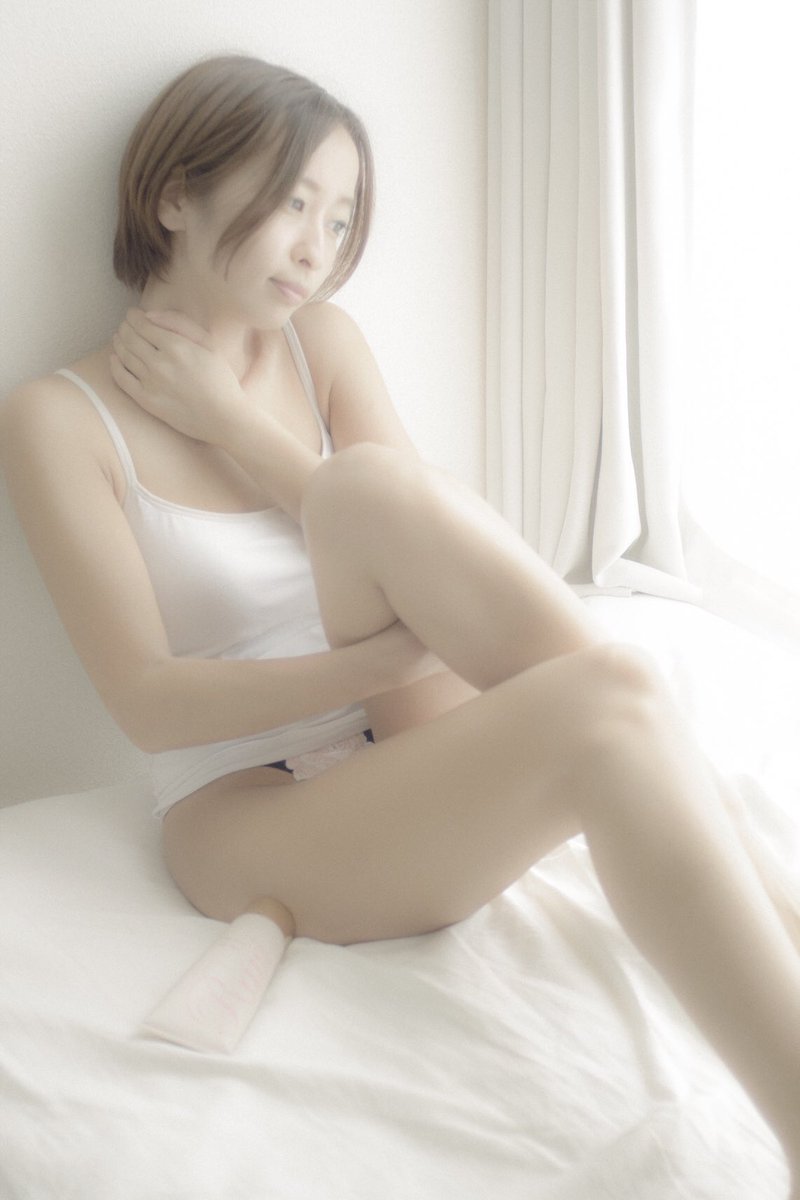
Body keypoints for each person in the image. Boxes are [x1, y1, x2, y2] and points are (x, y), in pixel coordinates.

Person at [2, 53, 799, 1193]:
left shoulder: (321, 344)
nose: (317, 247)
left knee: (377, 486)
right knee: (613, 697)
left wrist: (234, 421)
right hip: (252, 807)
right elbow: (148, 702)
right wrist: (381, 656)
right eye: (293, 204)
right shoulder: (57, 419)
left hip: (400, 724)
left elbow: (409, 531)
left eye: (339, 218)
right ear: (173, 196)